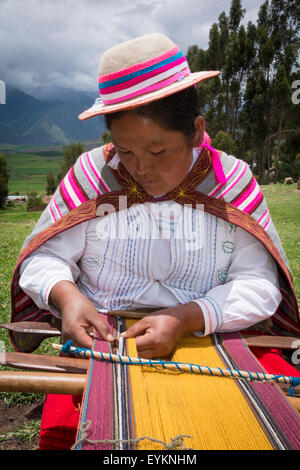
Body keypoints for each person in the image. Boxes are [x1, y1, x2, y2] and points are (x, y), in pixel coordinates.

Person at [9, 32, 300, 449]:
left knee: (274, 421)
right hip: (104, 343)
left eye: (158, 151)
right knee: (71, 436)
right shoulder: (94, 174)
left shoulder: (230, 181)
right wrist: (67, 297)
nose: (142, 168)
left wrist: (185, 318)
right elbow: (45, 258)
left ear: (197, 130)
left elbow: (258, 283)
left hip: (211, 337)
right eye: (126, 151)